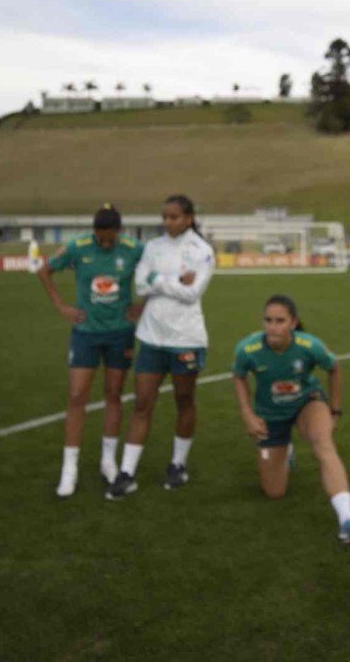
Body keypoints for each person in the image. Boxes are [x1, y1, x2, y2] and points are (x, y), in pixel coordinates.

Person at [232, 295, 350, 544]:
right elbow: (239, 376)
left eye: (280, 320)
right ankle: (285, 450)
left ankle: (347, 517)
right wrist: (247, 413)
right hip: (271, 415)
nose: (273, 326)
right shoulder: (248, 349)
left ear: (293, 323)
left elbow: (334, 368)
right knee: (275, 492)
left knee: (323, 442)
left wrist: (335, 409)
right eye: (268, 320)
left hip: (307, 403)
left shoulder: (310, 346)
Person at [108, 194, 215, 500]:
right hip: (152, 337)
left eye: (174, 217)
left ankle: (178, 464)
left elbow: (192, 292)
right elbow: (140, 285)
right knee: (142, 404)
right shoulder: (152, 247)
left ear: (189, 218)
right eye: (165, 217)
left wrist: (158, 280)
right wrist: (172, 280)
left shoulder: (202, 250)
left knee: (184, 401)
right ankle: (126, 473)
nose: (168, 222)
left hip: (186, 339)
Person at [37, 203, 144, 497]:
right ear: (94, 232)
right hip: (85, 333)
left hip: (120, 334)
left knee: (113, 395)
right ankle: (68, 469)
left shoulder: (134, 249)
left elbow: (154, 277)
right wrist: (61, 307)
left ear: (119, 232)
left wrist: (142, 304)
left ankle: (108, 462)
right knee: (76, 396)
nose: (105, 243)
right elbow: (44, 271)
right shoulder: (77, 246)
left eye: (110, 238)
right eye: (101, 238)